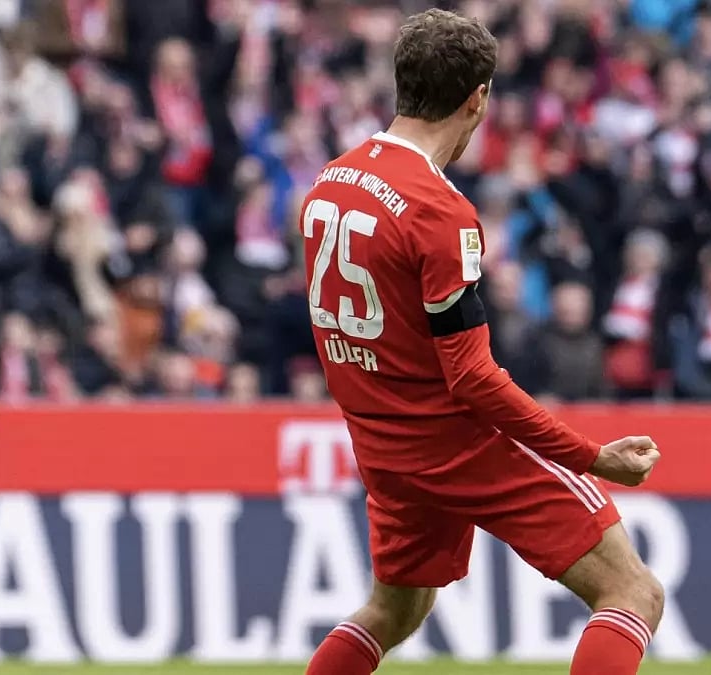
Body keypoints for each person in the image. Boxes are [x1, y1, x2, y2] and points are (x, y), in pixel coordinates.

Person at [299, 10, 663, 675]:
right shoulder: (439, 211)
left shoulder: (332, 182)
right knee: (633, 592)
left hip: (384, 447)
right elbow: (471, 377)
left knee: (394, 610)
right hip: (456, 441)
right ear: (478, 99)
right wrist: (590, 456)